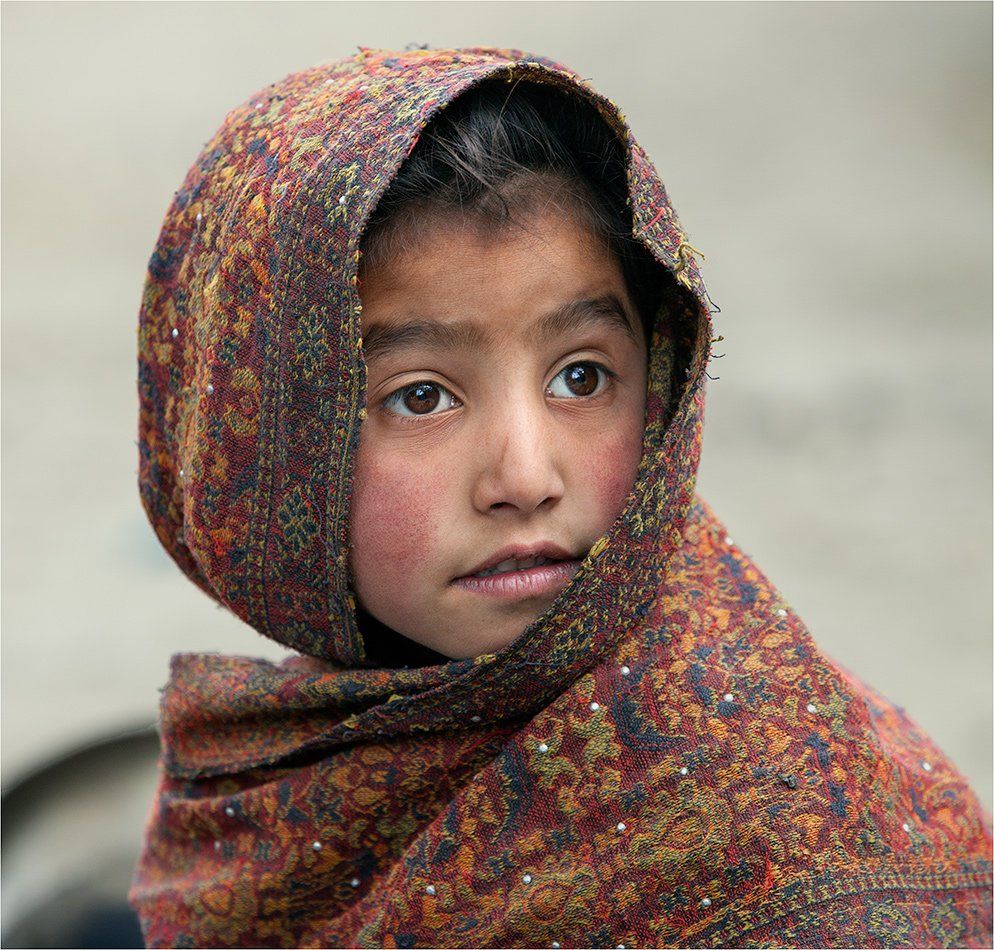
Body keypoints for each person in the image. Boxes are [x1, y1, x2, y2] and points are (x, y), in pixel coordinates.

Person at [129, 47, 992, 948]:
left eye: (582, 377)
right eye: (420, 396)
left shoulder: (762, 831)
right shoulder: (292, 754)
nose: (527, 479)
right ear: (260, 435)